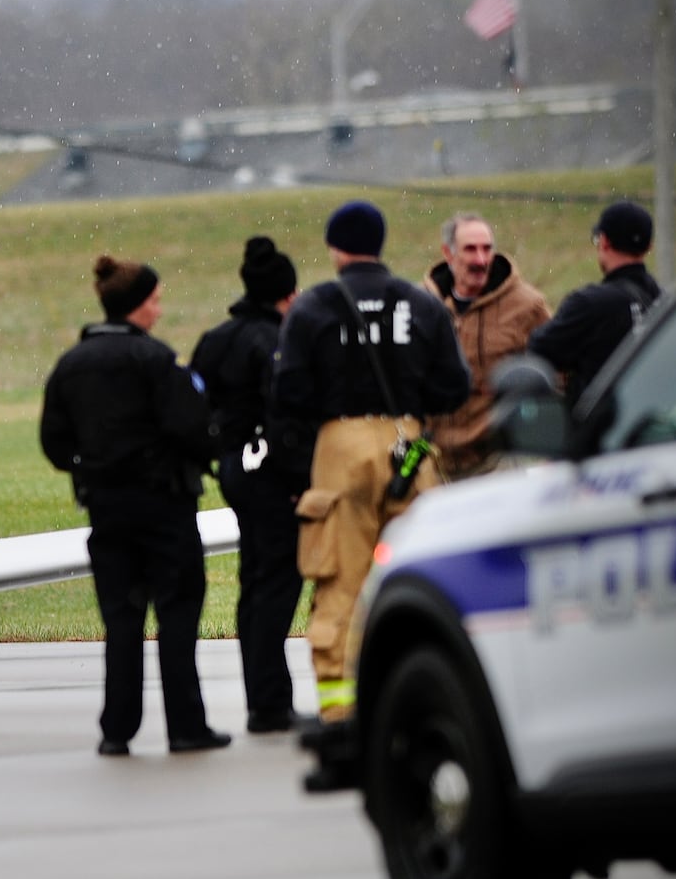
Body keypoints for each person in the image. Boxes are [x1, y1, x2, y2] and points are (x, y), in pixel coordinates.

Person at [272, 201, 470, 723]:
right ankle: (421, 699)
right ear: (380, 244)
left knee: (340, 582)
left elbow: (289, 394)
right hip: (409, 442)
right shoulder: (422, 306)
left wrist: (302, 466)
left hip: (340, 447)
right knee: (421, 577)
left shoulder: (312, 308)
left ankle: (340, 712)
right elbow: (454, 387)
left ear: (336, 247)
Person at [40, 255, 231, 756]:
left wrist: (93, 464)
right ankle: (186, 727)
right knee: (178, 615)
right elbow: (191, 428)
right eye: (155, 300)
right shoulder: (154, 360)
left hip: (107, 510)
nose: (159, 311)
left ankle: (117, 731)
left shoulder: (71, 365)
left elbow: (54, 443)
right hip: (165, 509)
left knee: (122, 621)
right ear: (136, 306)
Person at [190, 236, 307, 734]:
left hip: (236, 473)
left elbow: (191, 405)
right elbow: (285, 416)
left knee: (254, 581)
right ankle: (270, 702)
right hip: (273, 476)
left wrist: (217, 455)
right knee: (278, 584)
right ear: (286, 294)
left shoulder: (216, 339)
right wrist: (302, 479)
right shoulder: (280, 341)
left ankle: (264, 696)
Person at [421, 212, 552, 479]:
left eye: (487, 249)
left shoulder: (527, 306)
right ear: (448, 253)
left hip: (496, 461)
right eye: (470, 250)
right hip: (432, 463)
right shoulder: (420, 305)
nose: (481, 260)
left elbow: (560, 374)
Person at [529, 200, 662, 407]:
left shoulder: (588, 304)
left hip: (600, 430)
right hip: (654, 423)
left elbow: (539, 348)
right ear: (649, 247)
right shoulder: (663, 301)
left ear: (604, 241)